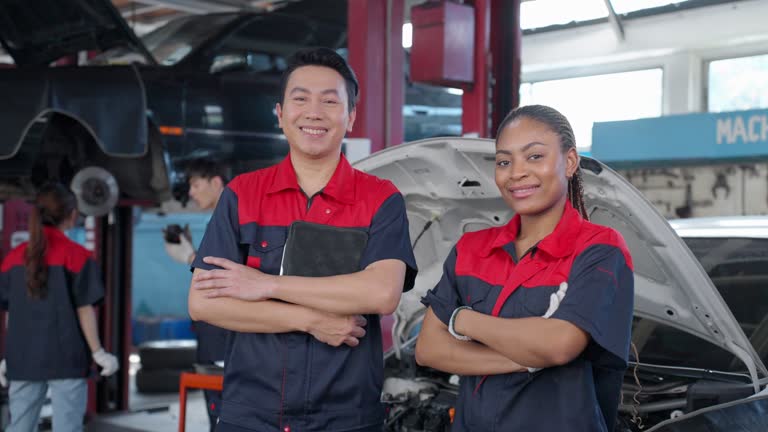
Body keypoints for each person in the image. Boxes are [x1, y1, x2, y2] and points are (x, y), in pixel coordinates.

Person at [187, 47, 417, 432]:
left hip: (346, 417)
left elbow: (381, 293)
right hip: (251, 415)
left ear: (351, 117)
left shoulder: (381, 198)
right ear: (280, 114)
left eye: (330, 101)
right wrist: (309, 319)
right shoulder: (243, 195)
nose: (314, 112)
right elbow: (203, 304)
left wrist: (265, 286)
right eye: (300, 99)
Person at [415, 104, 634, 431]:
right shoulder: (471, 249)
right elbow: (429, 349)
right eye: (504, 161)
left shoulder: (599, 248)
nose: (516, 172)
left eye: (534, 157)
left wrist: (462, 319)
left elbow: (559, 345)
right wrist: (524, 360)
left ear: (570, 162)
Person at [0, 182, 119, 432]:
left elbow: (10, 311)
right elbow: (85, 310)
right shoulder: (78, 257)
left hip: (22, 360)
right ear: (72, 215)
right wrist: (98, 352)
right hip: (67, 359)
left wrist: (7, 356)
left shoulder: (13, 258)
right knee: (68, 428)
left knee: (19, 426)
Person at [163, 159, 230, 432]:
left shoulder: (233, 219)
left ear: (216, 183)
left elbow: (224, 276)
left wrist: (191, 256)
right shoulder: (219, 221)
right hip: (216, 343)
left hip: (226, 346)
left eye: (195, 184)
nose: (190, 192)